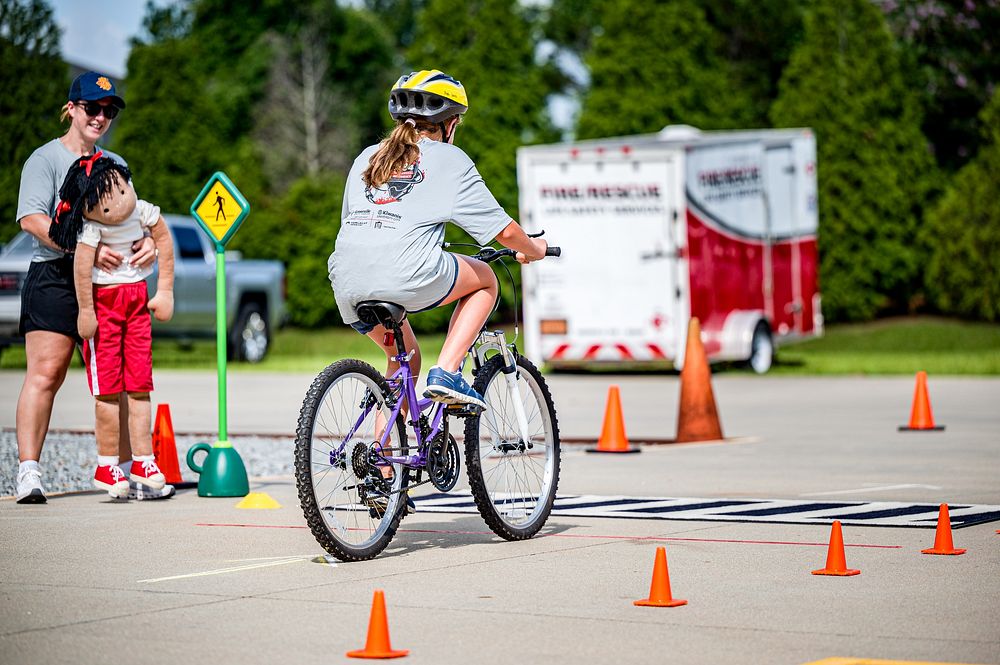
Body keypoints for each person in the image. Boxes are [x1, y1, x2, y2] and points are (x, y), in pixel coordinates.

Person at [328, 69, 548, 409]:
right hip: (406, 273)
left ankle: (384, 459)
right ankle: (446, 371)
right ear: (449, 123)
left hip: (346, 281)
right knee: (486, 281)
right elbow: (503, 231)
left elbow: (354, 224)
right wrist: (535, 249)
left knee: (404, 362)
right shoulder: (449, 159)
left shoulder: (367, 157)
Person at [13, 71, 172, 503]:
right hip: (55, 278)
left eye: (109, 110)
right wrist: (81, 245)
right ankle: (28, 472)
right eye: (92, 108)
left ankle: (126, 470)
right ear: (71, 109)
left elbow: (132, 216)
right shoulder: (44, 160)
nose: (100, 117)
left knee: (118, 381)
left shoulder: (115, 164)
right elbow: (31, 219)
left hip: (109, 284)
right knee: (47, 374)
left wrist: (146, 247)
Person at [48, 154, 175, 499]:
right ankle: (107, 463)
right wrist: (86, 311)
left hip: (137, 300)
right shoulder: (91, 228)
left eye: (120, 189)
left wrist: (164, 291)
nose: (117, 201)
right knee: (106, 390)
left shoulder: (142, 210)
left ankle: (143, 460)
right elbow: (81, 267)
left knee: (139, 384)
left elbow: (164, 240)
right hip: (104, 303)